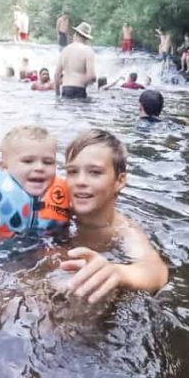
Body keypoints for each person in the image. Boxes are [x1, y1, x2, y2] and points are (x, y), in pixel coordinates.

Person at [60, 129, 169, 301]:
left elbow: (156, 271)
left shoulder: (123, 230)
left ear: (119, 181)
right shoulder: (55, 214)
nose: (80, 181)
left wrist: (119, 272)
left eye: (95, 172)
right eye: (72, 172)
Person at [54, 21, 97, 99]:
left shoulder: (65, 50)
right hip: (79, 89)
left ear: (75, 34)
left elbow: (56, 75)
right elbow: (92, 76)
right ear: (86, 38)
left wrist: (57, 93)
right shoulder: (88, 51)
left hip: (65, 89)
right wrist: (82, 83)